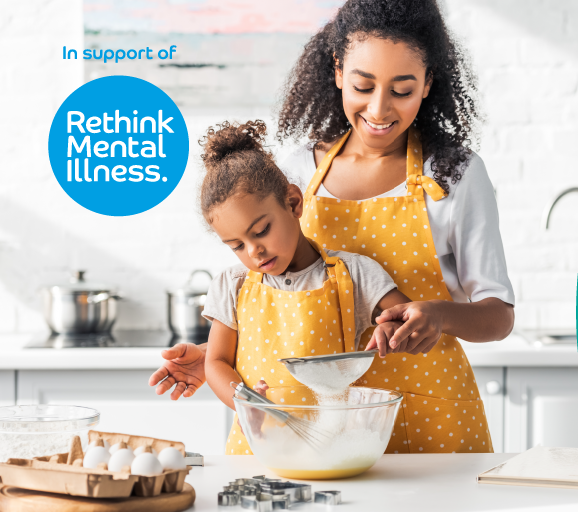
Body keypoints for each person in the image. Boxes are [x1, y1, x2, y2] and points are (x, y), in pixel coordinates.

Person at [150, 0, 515, 454]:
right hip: (314, 425)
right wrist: (219, 360)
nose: (379, 109)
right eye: (363, 85)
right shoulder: (299, 170)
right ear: (339, 71)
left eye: (402, 90)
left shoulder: (454, 173)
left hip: (428, 417)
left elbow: (498, 316)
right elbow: (278, 298)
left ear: (428, 85)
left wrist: (439, 315)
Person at [193, 120, 415, 454]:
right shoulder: (231, 285)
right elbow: (216, 362)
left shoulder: (352, 273)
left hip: (331, 446)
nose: (254, 252)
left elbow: (407, 318)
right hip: (258, 446)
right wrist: (247, 403)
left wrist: (394, 329)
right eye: (236, 245)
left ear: (294, 203)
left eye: (261, 230)